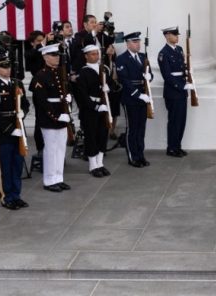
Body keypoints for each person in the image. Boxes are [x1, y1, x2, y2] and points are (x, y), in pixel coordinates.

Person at [0, 54, 30, 210]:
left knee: (17, 164)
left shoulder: (17, 84)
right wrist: (10, 130)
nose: (7, 70)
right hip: (3, 133)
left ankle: (16, 195)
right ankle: (6, 196)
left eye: (8, 67)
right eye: (3, 67)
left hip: (18, 127)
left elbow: (26, 104)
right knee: (5, 166)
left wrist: (22, 112)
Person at [31, 44, 72, 193]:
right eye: (54, 55)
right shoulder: (40, 76)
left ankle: (58, 178)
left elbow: (64, 91)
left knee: (61, 148)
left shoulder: (60, 73)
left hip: (62, 115)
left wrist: (67, 101)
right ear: (45, 57)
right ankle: (49, 180)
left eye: (58, 55)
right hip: (49, 117)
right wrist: (56, 115)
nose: (57, 57)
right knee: (50, 150)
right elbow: (41, 101)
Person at [75, 45, 118, 177]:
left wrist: (108, 88)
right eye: (92, 54)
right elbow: (82, 95)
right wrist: (95, 106)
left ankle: (100, 163)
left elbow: (113, 84)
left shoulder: (103, 69)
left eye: (97, 53)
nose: (96, 56)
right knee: (91, 136)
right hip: (90, 109)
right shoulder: (83, 72)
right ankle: (92, 165)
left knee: (102, 135)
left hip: (104, 106)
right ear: (86, 56)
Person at [116, 32, 153, 168]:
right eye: (135, 42)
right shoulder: (121, 59)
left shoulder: (143, 57)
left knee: (141, 128)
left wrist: (149, 76)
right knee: (132, 128)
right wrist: (138, 94)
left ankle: (140, 155)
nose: (138, 44)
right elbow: (124, 80)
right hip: (131, 97)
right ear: (128, 43)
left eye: (139, 42)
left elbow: (150, 75)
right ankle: (132, 157)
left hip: (143, 97)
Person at [158, 26, 193, 157]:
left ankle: (178, 146)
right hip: (173, 92)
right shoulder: (163, 53)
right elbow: (167, 75)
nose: (177, 37)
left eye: (177, 34)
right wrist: (181, 86)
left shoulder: (179, 49)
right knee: (174, 121)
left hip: (182, 90)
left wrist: (188, 74)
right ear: (167, 36)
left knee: (182, 120)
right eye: (174, 35)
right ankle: (171, 148)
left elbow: (183, 68)